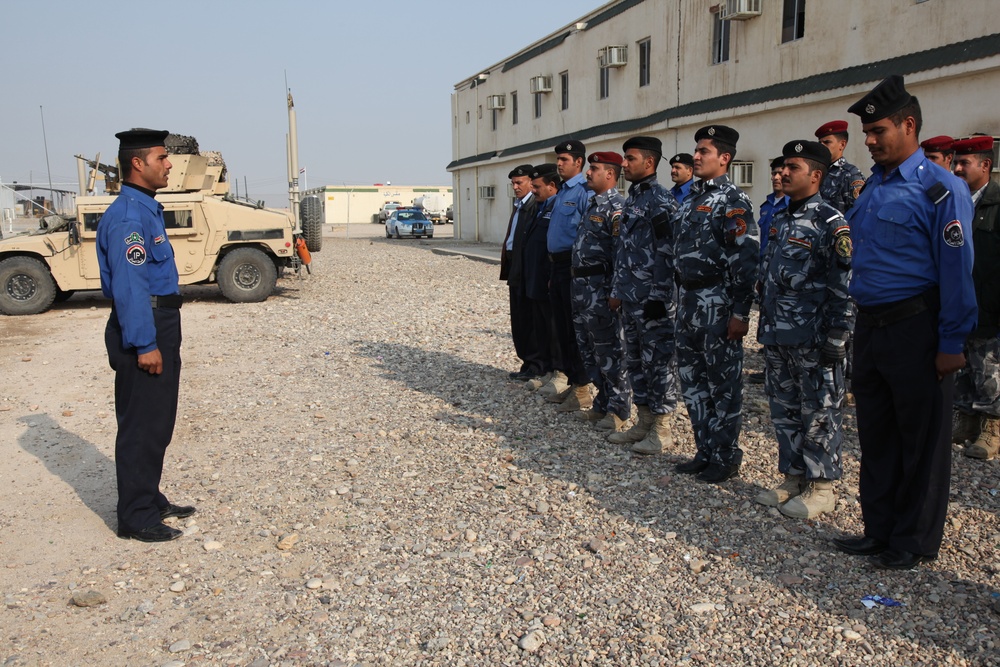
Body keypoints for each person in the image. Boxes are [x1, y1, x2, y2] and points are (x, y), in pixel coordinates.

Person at [833, 75, 976, 570]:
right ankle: (879, 529)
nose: (869, 141)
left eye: (877, 131)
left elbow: (957, 271)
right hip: (871, 327)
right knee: (876, 432)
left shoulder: (941, 190)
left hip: (918, 327)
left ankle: (913, 539)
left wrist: (952, 340)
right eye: (866, 133)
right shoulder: (875, 185)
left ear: (909, 125)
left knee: (921, 440)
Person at [97, 129, 196, 542]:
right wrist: (145, 343)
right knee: (141, 423)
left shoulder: (146, 208)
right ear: (138, 163)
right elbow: (130, 286)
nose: (169, 164)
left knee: (156, 421)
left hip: (160, 322)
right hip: (146, 325)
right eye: (161, 158)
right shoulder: (128, 217)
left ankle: (149, 497)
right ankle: (135, 516)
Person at [754, 140, 852, 519]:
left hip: (813, 336)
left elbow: (844, 283)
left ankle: (822, 487)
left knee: (820, 411)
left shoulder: (831, 222)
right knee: (785, 408)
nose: (782, 173)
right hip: (778, 333)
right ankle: (793, 476)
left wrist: (838, 335)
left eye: (791, 167)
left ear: (816, 175)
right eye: (780, 168)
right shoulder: (780, 218)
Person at [673, 125, 759, 483]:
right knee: (692, 382)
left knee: (722, 385)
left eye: (704, 151)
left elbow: (745, 259)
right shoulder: (691, 198)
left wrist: (740, 312)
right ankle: (704, 450)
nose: (696, 156)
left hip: (717, 305)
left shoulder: (733, 201)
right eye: (696, 150)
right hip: (689, 301)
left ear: (724, 158)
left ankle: (725, 456)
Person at [608, 136, 679, 453]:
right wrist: (618, 290)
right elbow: (624, 251)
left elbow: (668, 252)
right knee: (635, 361)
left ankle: (662, 429)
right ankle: (645, 421)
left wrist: (659, 297)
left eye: (630, 159)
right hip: (631, 297)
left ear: (649, 163)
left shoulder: (661, 202)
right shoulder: (633, 200)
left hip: (653, 300)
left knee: (659, 363)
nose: (624, 164)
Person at [570, 152, 630, 431]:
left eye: (593, 169)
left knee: (610, 351)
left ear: (610, 174)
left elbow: (621, 255)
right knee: (590, 350)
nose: (587, 173)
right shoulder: (592, 203)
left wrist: (615, 292)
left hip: (601, 289)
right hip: (582, 288)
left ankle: (618, 411)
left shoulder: (617, 207)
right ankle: (602, 403)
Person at [951, 135, 1000, 460]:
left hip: (990, 301)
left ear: (985, 165)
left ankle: (991, 428)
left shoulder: (996, 204)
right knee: (965, 364)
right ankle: (967, 419)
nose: (956, 169)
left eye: (963, 163)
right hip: (959, 301)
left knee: (989, 367)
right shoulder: (955, 202)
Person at [540, 140, 592, 410]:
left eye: (564, 159)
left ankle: (583, 387)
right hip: (557, 267)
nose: (559, 164)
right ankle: (573, 383)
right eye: (558, 159)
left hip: (574, 268)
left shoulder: (584, 192)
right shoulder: (560, 193)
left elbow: (587, 235)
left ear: (578, 163)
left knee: (575, 331)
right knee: (561, 328)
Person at [522, 164, 560, 392]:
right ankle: (545, 370)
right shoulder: (539, 207)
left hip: (549, 277)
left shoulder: (556, 207)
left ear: (551, 186)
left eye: (537, 186)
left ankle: (559, 372)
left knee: (554, 328)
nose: (533, 190)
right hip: (535, 277)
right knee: (541, 327)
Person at [500, 164, 539, 381]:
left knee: (529, 318)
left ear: (531, 183)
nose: (515, 187)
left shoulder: (533, 205)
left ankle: (535, 364)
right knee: (518, 318)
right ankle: (527, 362)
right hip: (515, 266)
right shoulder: (519, 205)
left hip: (526, 267)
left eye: (519, 182)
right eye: (513, 183)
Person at [815, 120, 866, 214]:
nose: (821, 147)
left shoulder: (850, 174)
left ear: (842, 144)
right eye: (820, 143)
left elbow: (858, 212)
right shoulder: (817, 172)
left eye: (827, 142)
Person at [758, 157, 789, 259]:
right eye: (773, 174)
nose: (776, 177)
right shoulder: (766, 206)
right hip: (763, 264)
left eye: (780, 173)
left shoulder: (792, 205)